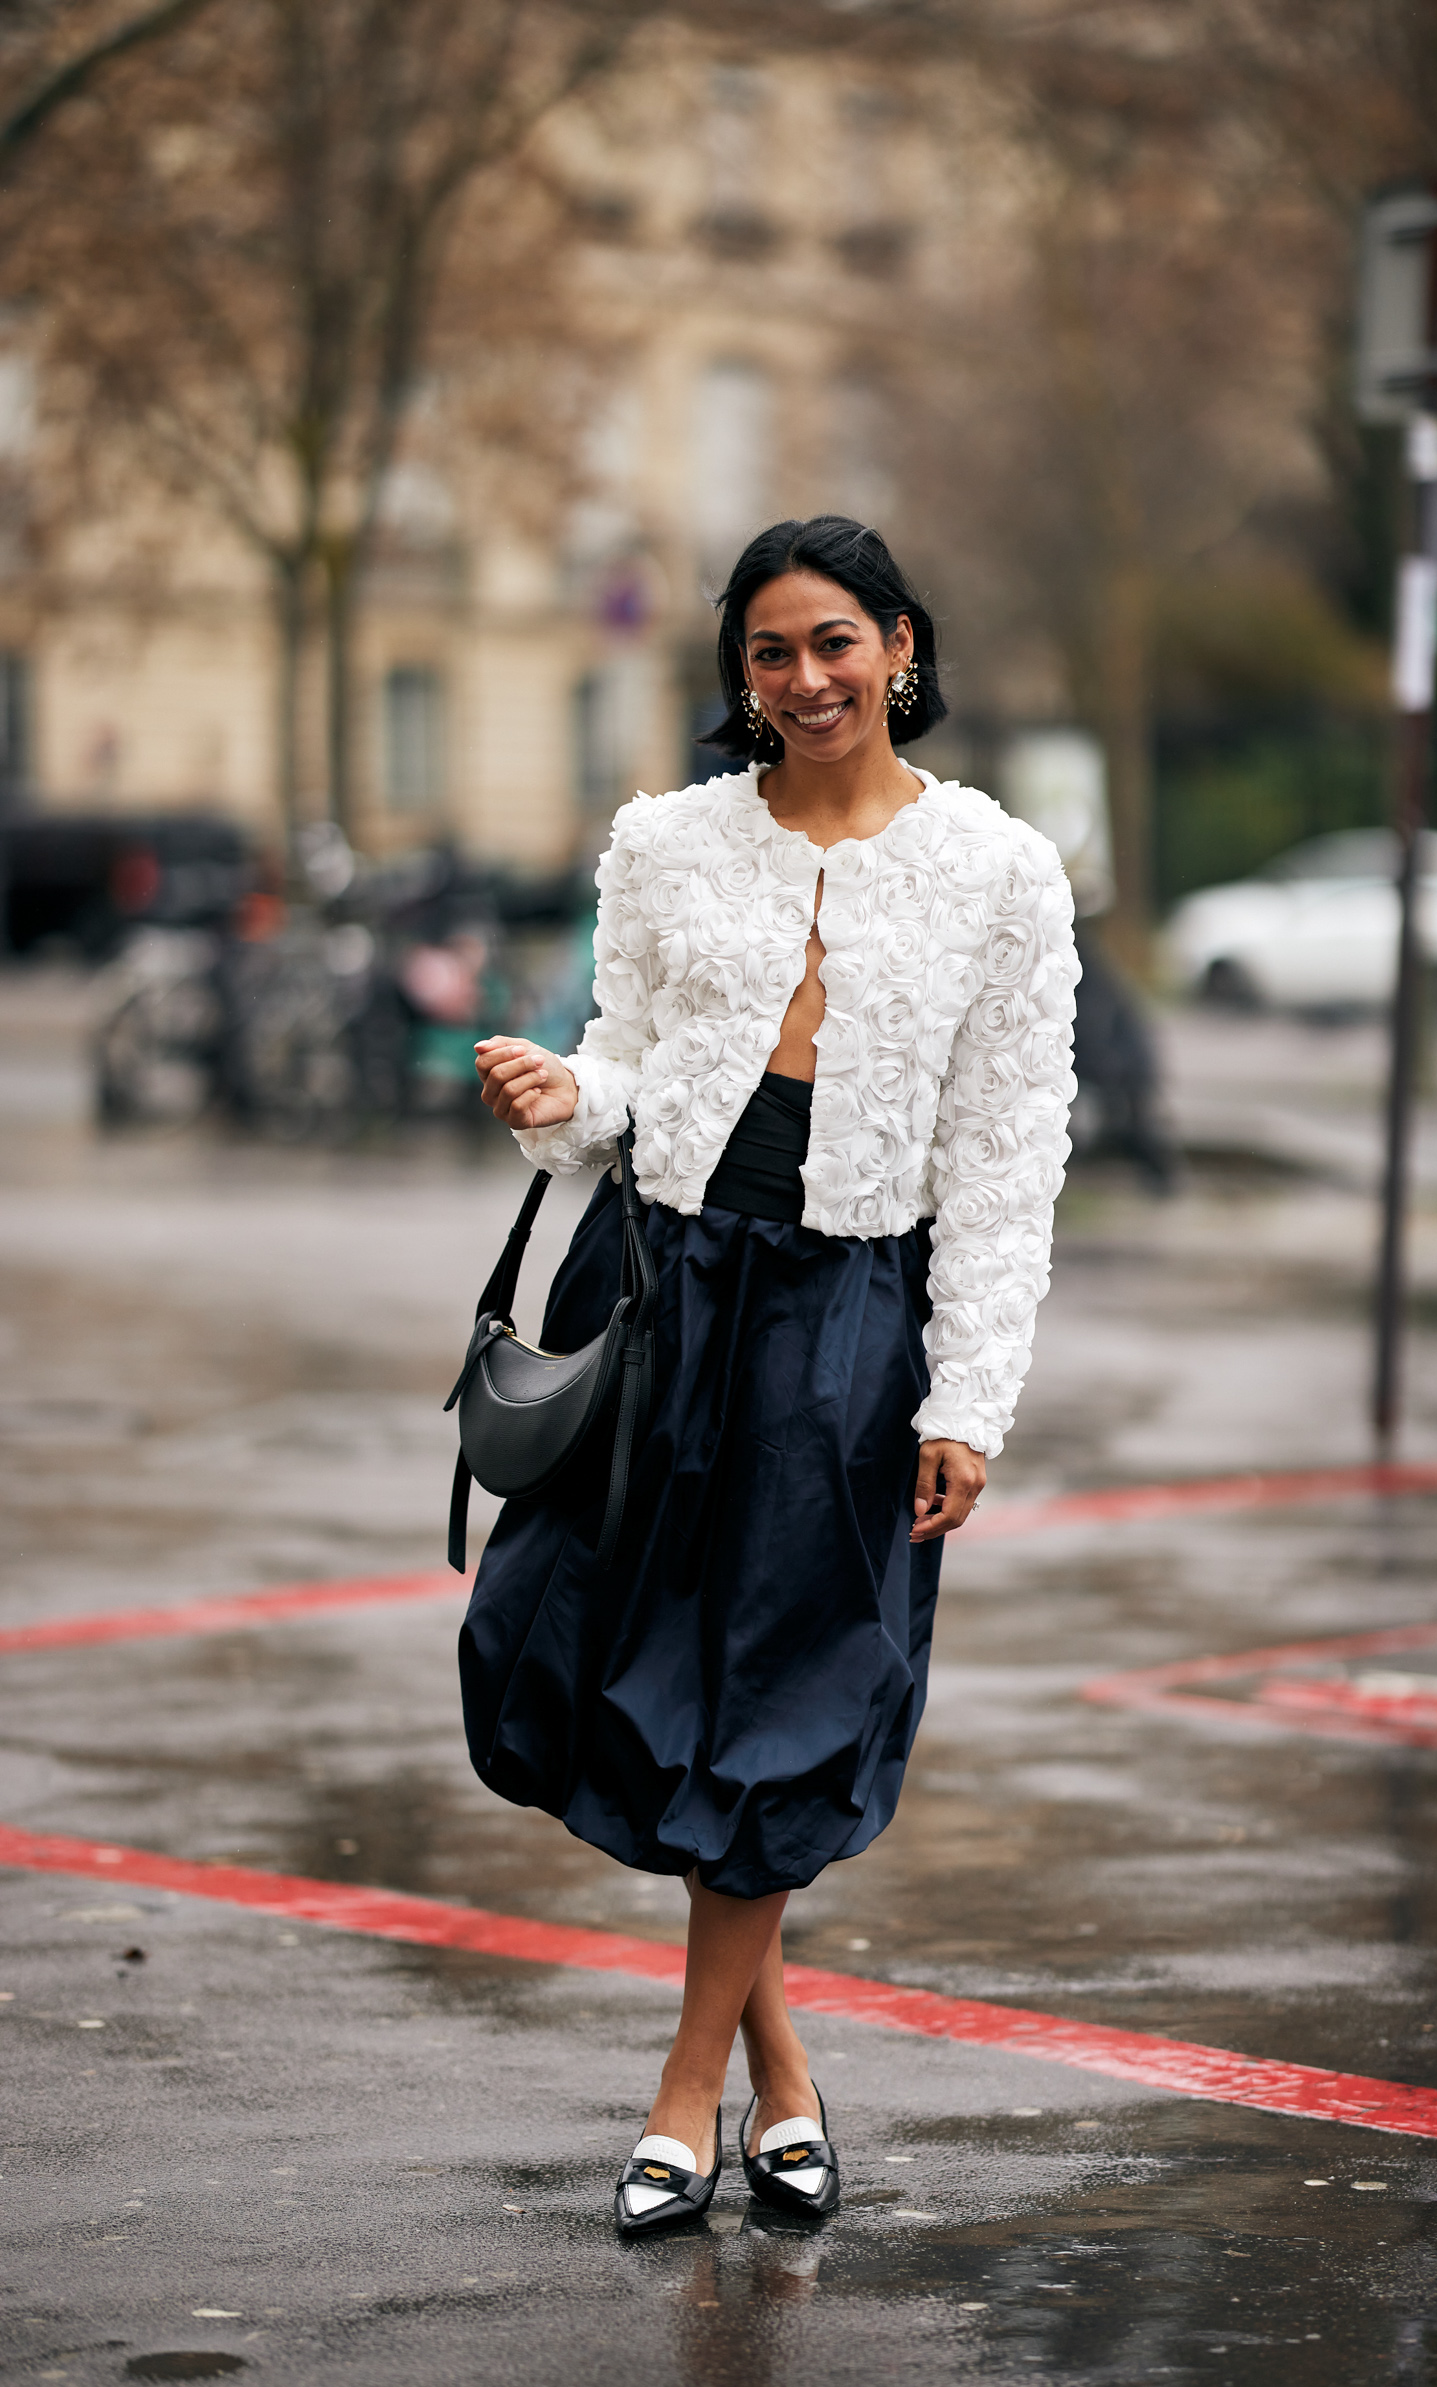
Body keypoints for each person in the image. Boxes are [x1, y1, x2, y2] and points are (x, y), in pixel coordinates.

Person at [465, 515, 1078, 2233]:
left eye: (833, 644)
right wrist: (559, 1099)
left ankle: (684, 2097)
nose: (804, 681)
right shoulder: (664, 843)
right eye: (768, 653)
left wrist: (968, 1398)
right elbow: (634, 1062)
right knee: (613, 1665)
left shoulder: (1001, 873)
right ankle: (787, 2078)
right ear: (738, 675)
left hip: (852, 1328)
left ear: (899, 645)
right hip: (662, 1291)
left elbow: (1010, 1155)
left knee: (790, 1705)